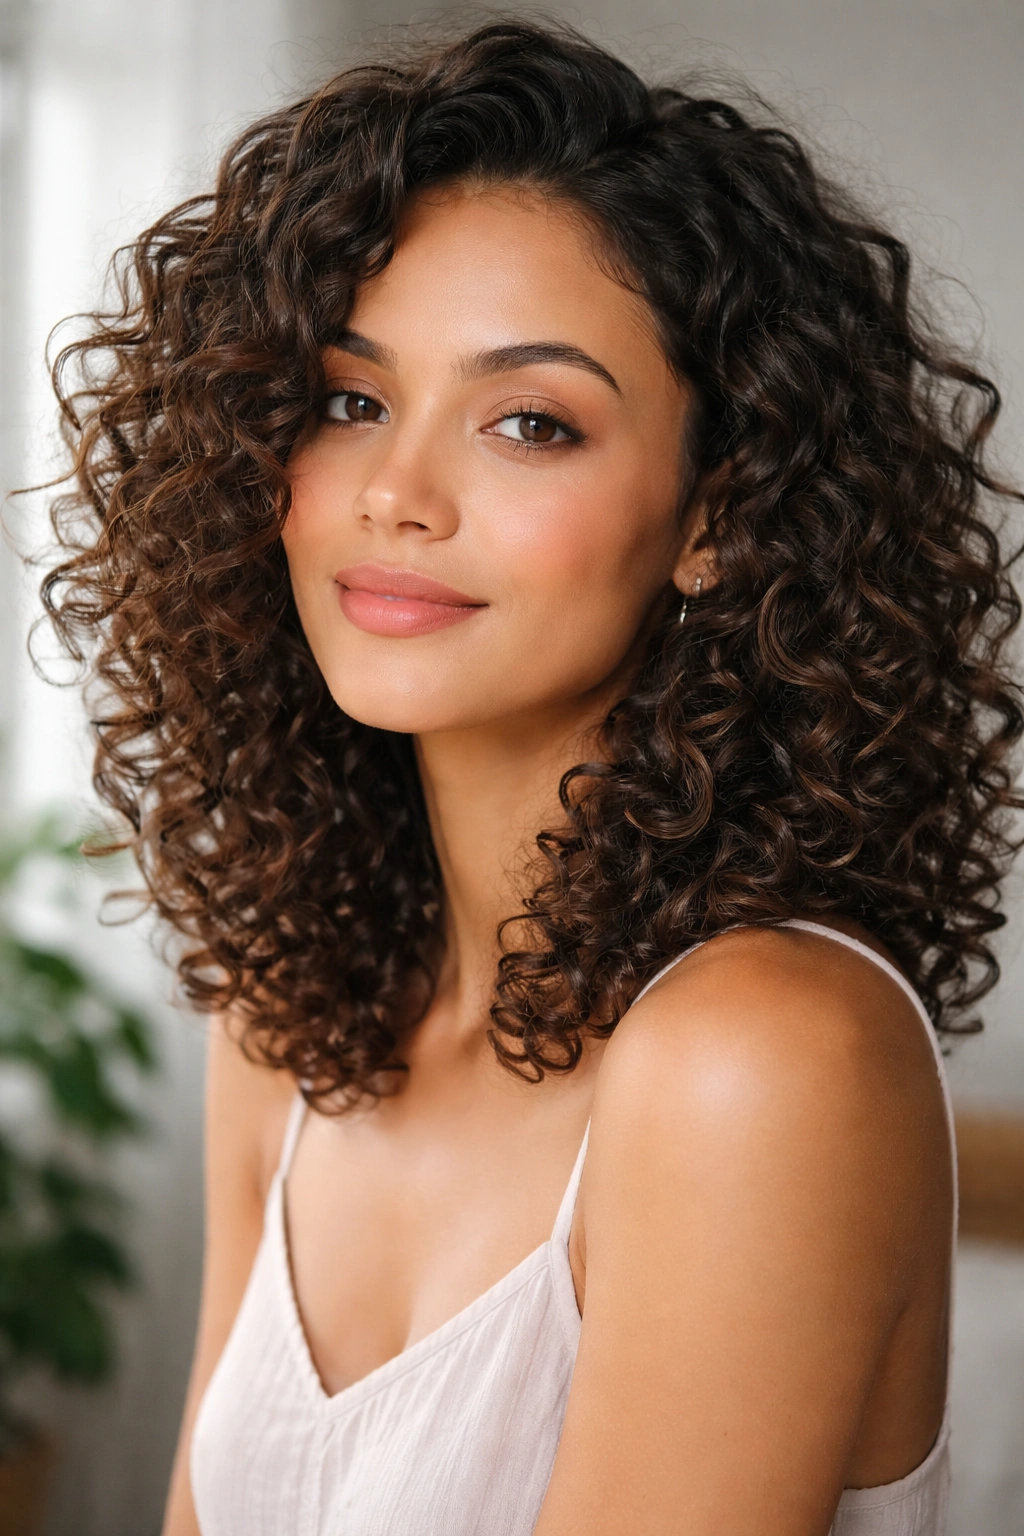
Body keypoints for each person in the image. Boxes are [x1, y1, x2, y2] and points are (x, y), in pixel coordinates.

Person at [43, 19, 1023, 1536]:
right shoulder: (298, 1026)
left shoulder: (760, 1058)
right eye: (352, 399)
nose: (396, 494)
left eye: (531, 422)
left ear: (719, 517)